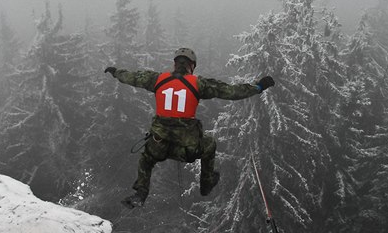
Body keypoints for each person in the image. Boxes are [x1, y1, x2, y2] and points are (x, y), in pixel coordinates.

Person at [104, 48, 275, 209]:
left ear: (175, 64)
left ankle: (140, 194)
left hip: (159, 146)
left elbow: (133, 77)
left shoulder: (157, 79)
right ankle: (206, 184)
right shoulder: (199, 84)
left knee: (146, 159)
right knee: (210, 144)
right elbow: (230, 91)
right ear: (191, 66)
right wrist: (258, 87)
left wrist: (116, 72)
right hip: (187, 150)